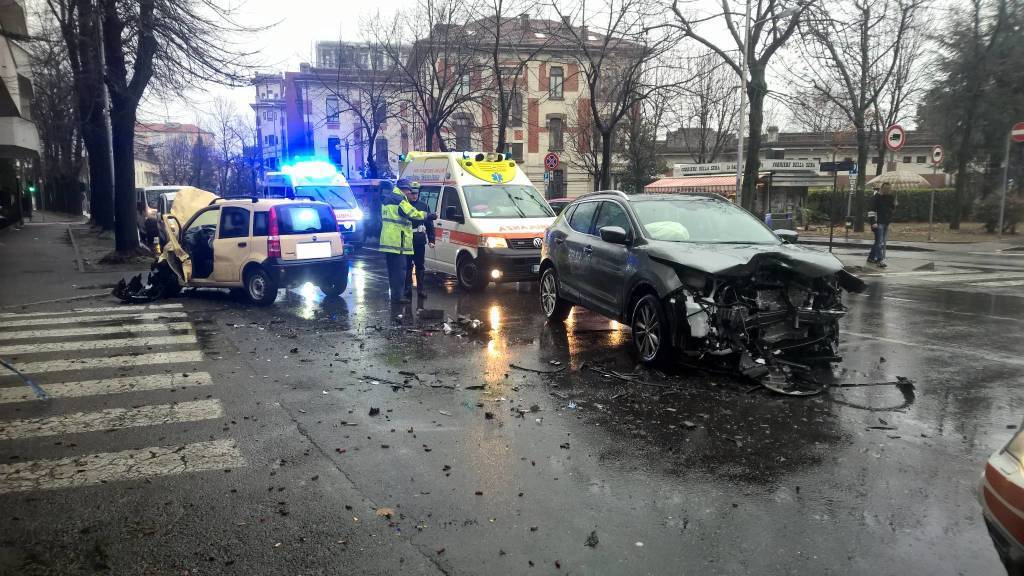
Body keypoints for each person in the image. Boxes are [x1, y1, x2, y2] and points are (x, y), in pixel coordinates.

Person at [379, 179, 434, 323]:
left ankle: (396, 295)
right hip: (398, 241)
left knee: (393, 270)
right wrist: (427, 216)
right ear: (403, 189)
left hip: (388, 240)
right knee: (400, 270)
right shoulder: (399, 200)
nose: (410, 192)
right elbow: (412, 213)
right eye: (409, 190)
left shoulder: (388, 198)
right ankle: (398, 297)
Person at [402, 182, 435, 306]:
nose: (414, 196)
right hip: (407, 239)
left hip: (420, 239)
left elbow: (429, 224)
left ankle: (421, 289)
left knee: (420, 265)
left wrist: (431, 239)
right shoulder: (405, 205)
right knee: (408, 266)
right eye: (412, 194)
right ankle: (407, 289)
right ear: (409, 194)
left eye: (416, 193)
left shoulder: (423, 206)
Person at [867, 183, 895, 267]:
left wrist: (894, 203)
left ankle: (871, 258)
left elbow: (892, 209)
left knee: (878, 241)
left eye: (889, 188)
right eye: (886, 188)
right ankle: (879, 260)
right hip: (878, 223)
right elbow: (871, 211)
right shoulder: (875, 198)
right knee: (879, 242)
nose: (887, 190)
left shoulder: (890, 197)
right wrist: (873, 222)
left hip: (885, 222)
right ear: (881, 188)